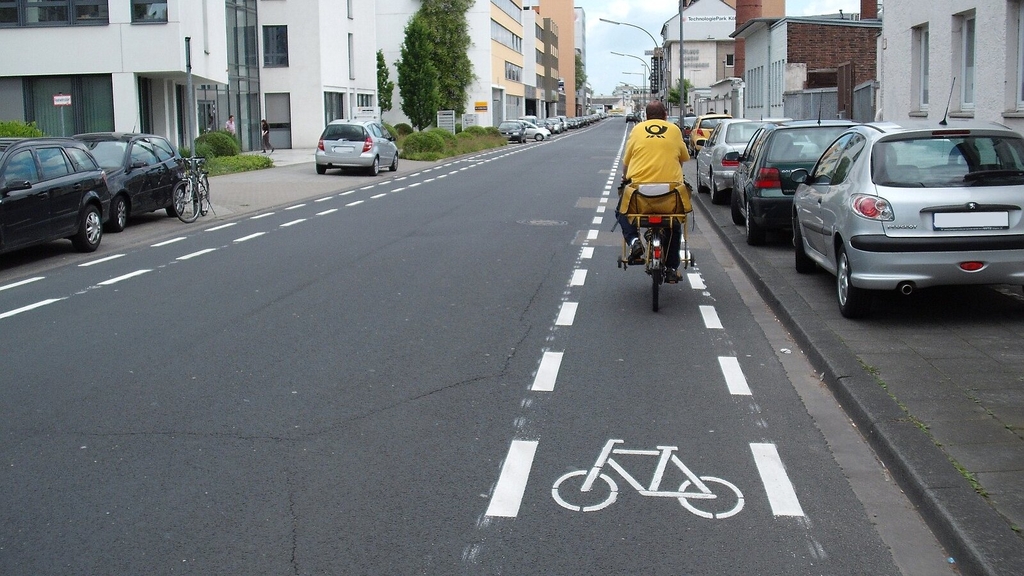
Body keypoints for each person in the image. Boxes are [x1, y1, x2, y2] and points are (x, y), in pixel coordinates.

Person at [617, 99, 690, 282]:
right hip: (669, 196)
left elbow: (626, 163)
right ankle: (672, 267)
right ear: (665, 115)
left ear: (646, 116)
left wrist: (626, 178)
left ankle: (634, 242)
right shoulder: (674, 130)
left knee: (622, 211)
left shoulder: (637, 130)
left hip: (640, 195)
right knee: (674, 223)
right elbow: (682, 159)